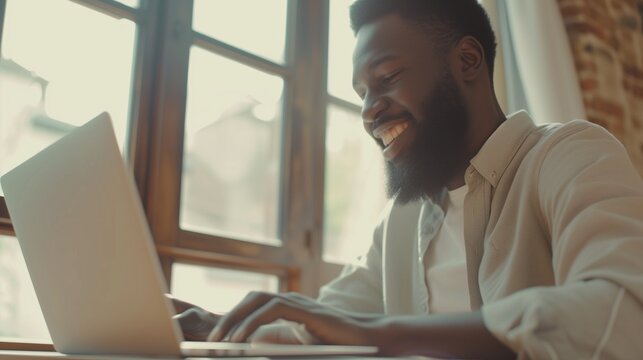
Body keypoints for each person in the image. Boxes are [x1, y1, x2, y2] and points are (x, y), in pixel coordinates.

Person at [173, 0, 643, 358]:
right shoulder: (401, 223)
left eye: (388, 76)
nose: (368, 110)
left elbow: (623, 314)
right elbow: (317, 326)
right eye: (361, 94)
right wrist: (216, 325)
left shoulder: (570, 155)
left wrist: (385, 333)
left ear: (467, 62)